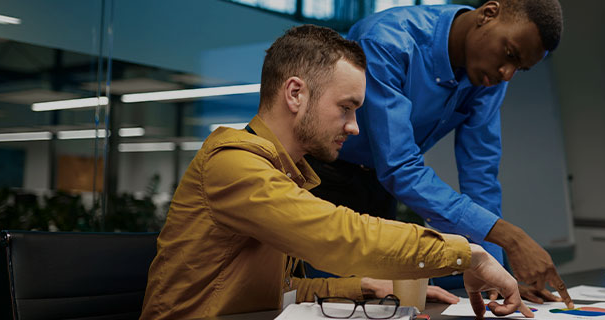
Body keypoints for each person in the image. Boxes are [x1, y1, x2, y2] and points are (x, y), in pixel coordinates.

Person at [140, 25, 535, 319]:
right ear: (295, 94)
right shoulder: (234, 165)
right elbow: (339, 235)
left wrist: (359, 286)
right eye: (345, 108)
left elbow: (275, 290)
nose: (354, 127)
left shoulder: (285, 172)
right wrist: (468, 254)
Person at [306, 0, 575, 307]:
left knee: (384, 305)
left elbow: (480, 176)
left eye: (520, 68)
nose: (507, 73)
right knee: (328, 304)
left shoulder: (488, 77)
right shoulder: (387, 41)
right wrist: (510, 237)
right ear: (489, 13)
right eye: (510, 54)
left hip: (380, 189)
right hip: (322, 180)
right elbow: (400, 167)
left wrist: (496, 275)